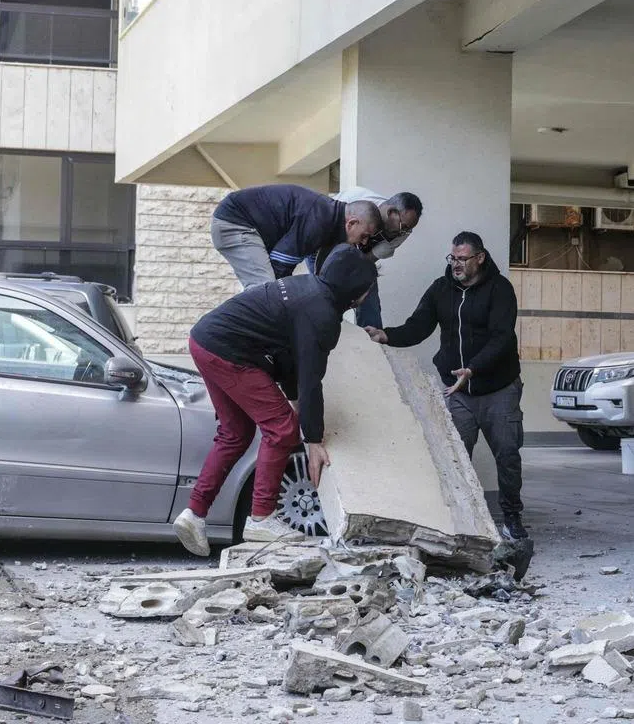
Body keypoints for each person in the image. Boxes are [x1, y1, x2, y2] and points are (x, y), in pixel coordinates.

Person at [172, 244, 378, 555]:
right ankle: (262, 518)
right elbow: (311, 379)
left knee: (235, 433)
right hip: (230, 351)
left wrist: (298, 407)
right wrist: (313, 439)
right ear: (355, 290)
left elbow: (289, 359)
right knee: (282, 429)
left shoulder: (306, 289)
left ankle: (194, 514)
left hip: (204, 340)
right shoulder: (322, 315)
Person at [363, 231, 528, 540]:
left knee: (507, 455)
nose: (456, 264)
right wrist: (387, 335)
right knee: (456, 458)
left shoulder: (500, 289)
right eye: (453, 258)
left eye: (463, 258)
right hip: (459, 392)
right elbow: (418, 325)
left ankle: (511, 518)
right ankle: (461, 522)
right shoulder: (441, 289)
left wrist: (473, 369)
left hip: (499, 389)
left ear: (480, 258)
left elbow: (502, 337)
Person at [210, 183, 383, 289]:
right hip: (235, 223)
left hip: (243, 223)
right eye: (365, 235)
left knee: (269, 291)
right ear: (351, 223)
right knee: (266, 290)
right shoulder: (319, 222)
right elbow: (279, 266)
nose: (364, 242)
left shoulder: (329, 217)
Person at [314, 187, 423, 328]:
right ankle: (322, 328)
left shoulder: (403, 233)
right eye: (404, 227)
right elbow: (323, 235)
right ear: (390, 212)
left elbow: (365, 261)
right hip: (323, 242)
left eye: (409, 229)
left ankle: (372, 337)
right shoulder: (353, 201)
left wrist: (359, 291)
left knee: (368, 296)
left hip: (357, 254)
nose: (404, 233)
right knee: (324, 290)